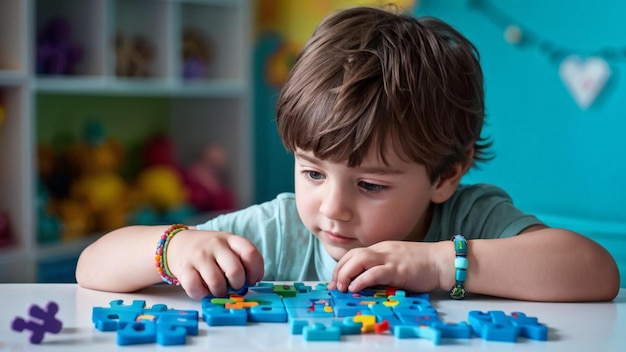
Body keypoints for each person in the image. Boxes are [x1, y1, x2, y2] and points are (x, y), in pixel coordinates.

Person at [76, 6, 620, 302]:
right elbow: (91, 266)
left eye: (371, 185)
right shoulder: (280, 229)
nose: (330, 209)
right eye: (313, 171)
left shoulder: (468, 218)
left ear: (445, 176)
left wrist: (435, 264)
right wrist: (173, 249)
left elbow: (594, 273)